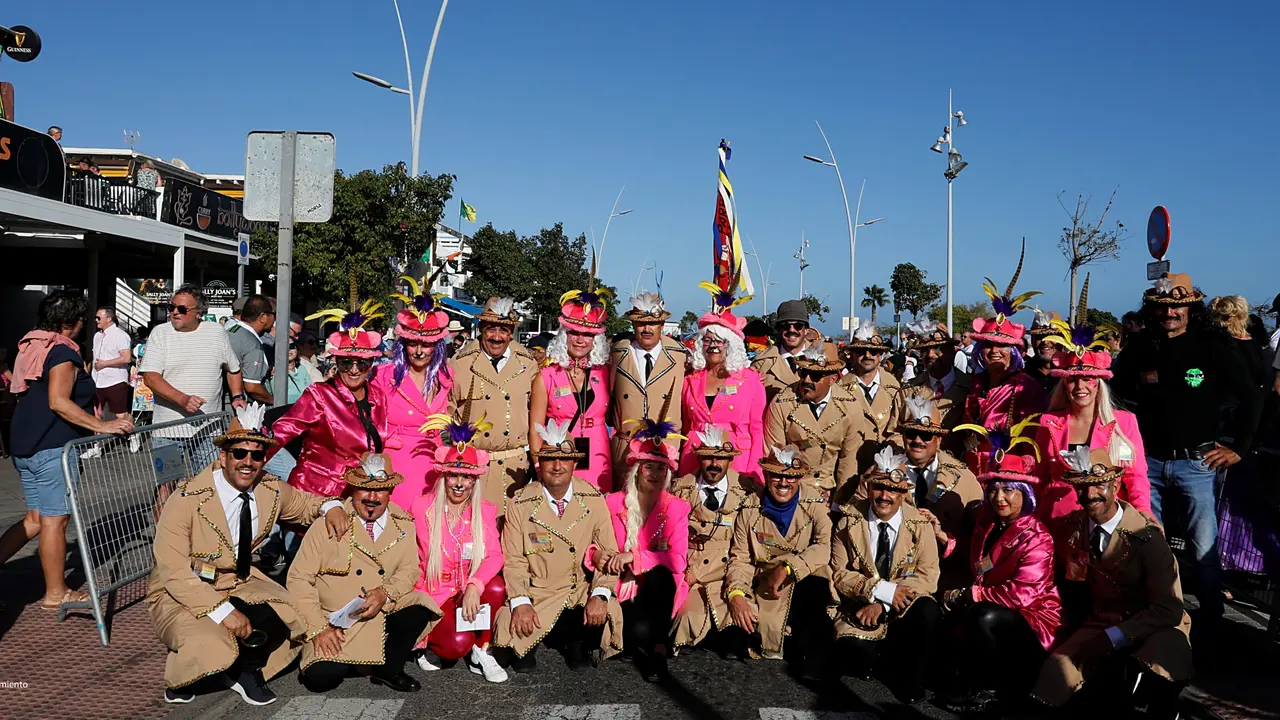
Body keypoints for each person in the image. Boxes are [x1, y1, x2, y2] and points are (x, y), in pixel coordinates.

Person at [147, 404, 349, 706]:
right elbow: (174, 571)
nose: (248, 462)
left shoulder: (270, 489)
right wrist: (223, 612)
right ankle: (185, 671)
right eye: (239, 453)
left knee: (289, 612)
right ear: (223, 456)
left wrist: (331, 506)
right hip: (183, 588)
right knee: (211, 647)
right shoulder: (186, 498)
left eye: (257, 455)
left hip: (239, 581)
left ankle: (247, 670)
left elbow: (306, 505)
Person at [1112, 270, 1260, 630]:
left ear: (1191, 308)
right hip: (1148, 464)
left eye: (1178, 307)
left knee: (1204, 550)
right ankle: (1159, 618)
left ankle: (1211, 625)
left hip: (1197, 464)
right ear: (1154, 310)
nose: (1171, 314)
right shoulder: (1142, 346)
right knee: (1148, 545)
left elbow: (1253, 396)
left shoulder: (1213, 345)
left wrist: (1240, 447)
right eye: (1164, 308)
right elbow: (1114, 392)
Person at [1031, 448, 1192, 718]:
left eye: (1099, 485)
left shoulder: (1148, 540)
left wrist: (1113, 637)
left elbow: (1169, 608)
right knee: (1057, 673)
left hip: (1157, 623)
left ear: (1116, 485)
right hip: (1103, 619)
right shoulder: (1074, 528)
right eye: (1082, 488)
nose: (1089, 495)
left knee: (1156, 666)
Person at [0, 290, 133, 610]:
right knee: (53, 521)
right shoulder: (61, 352)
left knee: (34, 519)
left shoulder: (31, 344)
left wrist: (93, 413)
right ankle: (56, 592)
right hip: (52, 446)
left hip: (24, 443)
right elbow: (58, 401)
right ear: (71, 323)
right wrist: (103, 426)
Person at [289, 453, 441, 693]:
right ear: (353, 488)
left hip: (379, 614)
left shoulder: (404, 524)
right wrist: (318, 628)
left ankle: (390, 669)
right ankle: (348, 659)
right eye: (364, 489)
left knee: (420, 605)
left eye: (380, 490)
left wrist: (385, 593)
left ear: (391, 491)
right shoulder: (326, 523)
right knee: (322, 679)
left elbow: (410, 569)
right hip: (333, 622)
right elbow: (299, 579)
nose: (372, 498)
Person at [935, 444, 1064, 715]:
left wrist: (972, 595)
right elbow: (980, 561)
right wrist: (944, 539)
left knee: (984, 617)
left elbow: (1022, 594)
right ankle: (968, 679)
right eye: (993, 490)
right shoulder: (989, 524)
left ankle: (995, 690)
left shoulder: (1037, 537)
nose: (999, 497)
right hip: (994, 603)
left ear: (1025, 494)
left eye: (1008, 490)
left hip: (1033, 617)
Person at [492, 419, 623, 671]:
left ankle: (576, 641)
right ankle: (545, 636)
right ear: (540, 463)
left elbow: (609, 553)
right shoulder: (521, 503)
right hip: (539, 592)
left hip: (578, 590)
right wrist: (521, 602)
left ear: (575, 463)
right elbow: (514, 559)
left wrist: (600, 593)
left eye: (564, 459)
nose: (557, 466)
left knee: (604, 611)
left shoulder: (593, 499)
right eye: (550, 459)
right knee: (518, 655)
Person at [1033, 300, 1151, 554]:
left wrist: (1143, 512)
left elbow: (1136, 476)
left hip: (1108, 522)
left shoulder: (1124, 422)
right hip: (1057, 521)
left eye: (1087, 379)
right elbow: (1040, 476)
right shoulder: (1048, 423)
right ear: (1064, 384)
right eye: (1073, 380)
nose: (1080, 387)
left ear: (1099, 383)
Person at [826, 446, 941, 703]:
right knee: (853, 656)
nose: (885, 496)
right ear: (868, 488)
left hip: (903, 607)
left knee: (928, 613)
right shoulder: (849, 520)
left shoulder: (920, 525)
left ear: (904, 494)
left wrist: (885, 604)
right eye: (878, 487)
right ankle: (878, 659)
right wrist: (877, 592)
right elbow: (839, 573)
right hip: (860, 607)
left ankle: (911, 682)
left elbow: (928, 576)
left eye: (893, 490)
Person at [409, 415, 508, 682]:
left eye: (467, 477)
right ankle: (428, 643)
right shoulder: (421, 509)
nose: (459, 483)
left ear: (475, 481)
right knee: (455, 646)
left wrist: (475, 585)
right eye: (453, 474)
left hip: (467, 592)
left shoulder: (484, 511)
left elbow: (494, 555)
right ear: (443, 476)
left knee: (497, 587)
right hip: (434, 596)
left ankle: (482, 649)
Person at [592, 419, 690, 680]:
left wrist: (634, 557)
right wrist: (596, 554)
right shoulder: (612, 503)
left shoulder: (677, 508)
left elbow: (678, 560)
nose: (654, 474)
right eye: (649, 466)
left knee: (661, 576)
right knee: (634, 634)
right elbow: (592, 543)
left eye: (661, 468)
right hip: (620, 583)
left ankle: (658, 652)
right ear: (637, 469)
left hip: (657, 590)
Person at [270, 300, 393, 500]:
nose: (354, 370)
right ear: (336, 362)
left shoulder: (378, 395)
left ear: (371, 363)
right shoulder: (319, 395)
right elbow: (280, 433)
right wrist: (247, 463)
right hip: (316, 497)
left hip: (358, 497)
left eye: (361, 363)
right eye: (346, 363)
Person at [724, 446, 831, 673]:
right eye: (777, 476)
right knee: (739, 631)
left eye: (790, 477)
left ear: (799, 477)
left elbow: (824, 547)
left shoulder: (815, 504)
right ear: (766, 476)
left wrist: (788, 567)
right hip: (765, 583)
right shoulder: (750, 508)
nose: (784, 483)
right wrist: (737, 594)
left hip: (805, 580)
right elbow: (741, 558)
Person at [670, 425, 756, 654]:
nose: (714, 464)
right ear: (699, 458)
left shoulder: (747, 492)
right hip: (690, 570)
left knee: (738, 633)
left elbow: (745, 546)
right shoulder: (680, 489)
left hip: (728, 569)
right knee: (687, 618)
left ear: (730, 460)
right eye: (708, 458)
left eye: (721, 459)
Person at [447, 297, 538, 509]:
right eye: (491, 329)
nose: (497, 337)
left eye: (504, 330)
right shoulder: (460, 365)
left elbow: (539, 417)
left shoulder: (528, 366)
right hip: (474, 468)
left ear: (511, 333)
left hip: (516, 471)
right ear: (481, 329)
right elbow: (446, 416)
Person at [883, 395, 981, 591]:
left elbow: (980, 540)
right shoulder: (879, 474)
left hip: (946, 576)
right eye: (911, 434)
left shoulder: (964, 478)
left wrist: (943, 537)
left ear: (939, 439)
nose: (918, 441)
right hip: (891, 577)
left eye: (926, 436)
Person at [141, 283, 246, 465]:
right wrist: (182, 399)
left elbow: (233, 369)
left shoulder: (216, 332)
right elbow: (150, 377)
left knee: (210, 486)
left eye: (181, 309)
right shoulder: (160, 333)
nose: (174, 312)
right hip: (168, 430)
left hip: (209, 429)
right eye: (171, 307)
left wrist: (237, 395)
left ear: (199, 312)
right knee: (167, 486)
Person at [376, 276, 455, 512]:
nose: (419, 351)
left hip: (434, 463)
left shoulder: (446, 377)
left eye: (426, 344)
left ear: (437, 346)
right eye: (412, 344)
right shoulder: (384, 375)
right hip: (398, 464)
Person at [678, 282, 766, 484]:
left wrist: (755, 471)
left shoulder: (750, 380)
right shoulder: (690, 379)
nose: (713, 346)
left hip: (735, 458)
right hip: (694, 457)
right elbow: (685, 424)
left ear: (731, 345)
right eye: (708, 341)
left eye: (720, 341)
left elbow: (757, 428)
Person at [530, 285, 613, 490]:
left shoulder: (605, 373)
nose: (580, 339)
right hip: (560, 457)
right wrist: (541, 467)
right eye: (574, 332)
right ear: (564, 335)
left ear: (596, 339)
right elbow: (535, 429)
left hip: (599, 456)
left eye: (587, 334)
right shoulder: (546, 376)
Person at [962, 245, 1048, 440]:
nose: (994, 351)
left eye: (1002, 346)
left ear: (1014, 351)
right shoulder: (976, 383)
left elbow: (1034, 441)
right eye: (988, 345)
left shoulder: (1026, 388)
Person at [608, 291, 687, 489]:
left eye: (652, 323)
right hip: (626, 449)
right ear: (633, 325)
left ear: (662, 326)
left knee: (661, 509)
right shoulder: (616, 355)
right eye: (641, 323)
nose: (647, 329)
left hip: (665, 447)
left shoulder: (681, 357)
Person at [764, 343, 864, 498]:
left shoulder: (850, 407)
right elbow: (774, 454)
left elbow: (849, 461)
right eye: (803, 373)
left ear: (832, 379)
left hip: (828, 490)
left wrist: (839, 502)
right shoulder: (782, 402)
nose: (806, 380)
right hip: (791, 489)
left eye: (815, 376)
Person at [895, 320, 971, 457]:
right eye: (924, 350)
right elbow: (893, 433)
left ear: (952, 351)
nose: (931, 355)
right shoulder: (907, 392)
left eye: (938, 349)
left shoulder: (971, 389)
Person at [838, 318, 902, 470]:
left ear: (880, 355)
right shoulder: (838, 390)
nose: (867, 355)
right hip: (849, 468)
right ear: (852, 355)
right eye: (861, 351)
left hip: (884, 471)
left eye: (873, 351)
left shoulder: (896, 389)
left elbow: (901, 430)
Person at [751, 299, 810, 405]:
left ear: (806, 330)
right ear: (779, 329)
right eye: (786, 326)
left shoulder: (822, 360)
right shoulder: (761, 363)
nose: (792, 330)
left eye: (798, 326)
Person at [225, 295, 275, 406]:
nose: (275, 319)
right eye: (273, 314)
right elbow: (252, 387)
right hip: (240, 408)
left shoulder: (232, 331)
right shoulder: (252, 344)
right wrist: (275, 401)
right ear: (262, 317)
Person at [91, 305, 133, 421]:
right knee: (95, 412)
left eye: (98, 318)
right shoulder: (97, 336)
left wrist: (104, 364)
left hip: (115, 381)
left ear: (109, 319)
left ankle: (130, 435)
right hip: (97, 381)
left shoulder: (120, 335)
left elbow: (126, 358)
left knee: (121, 414)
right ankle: (98, 438)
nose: (96, 320)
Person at [1025, 308, 1063, 394]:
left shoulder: (1071, 374)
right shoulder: (1021, 373)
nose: (1045, 341)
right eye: (1039, 336)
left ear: (1063, 341)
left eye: (1051, 336)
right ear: (1032, 340)